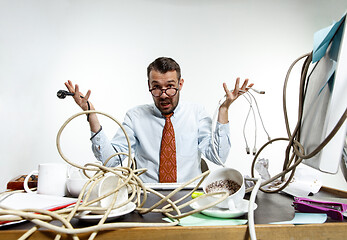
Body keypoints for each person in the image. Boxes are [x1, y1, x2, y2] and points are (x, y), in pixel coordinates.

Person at [64, 57, 253, 183]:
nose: (163, 95)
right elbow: (110, 161)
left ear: (180, 84)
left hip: (189, 196)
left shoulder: (196, 113)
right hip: (147, 196)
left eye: (170, 87)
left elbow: (218, 157)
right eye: (156, 87)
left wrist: (224, 109)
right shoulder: (135, 117)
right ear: (149, 85)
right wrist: (92, 115)